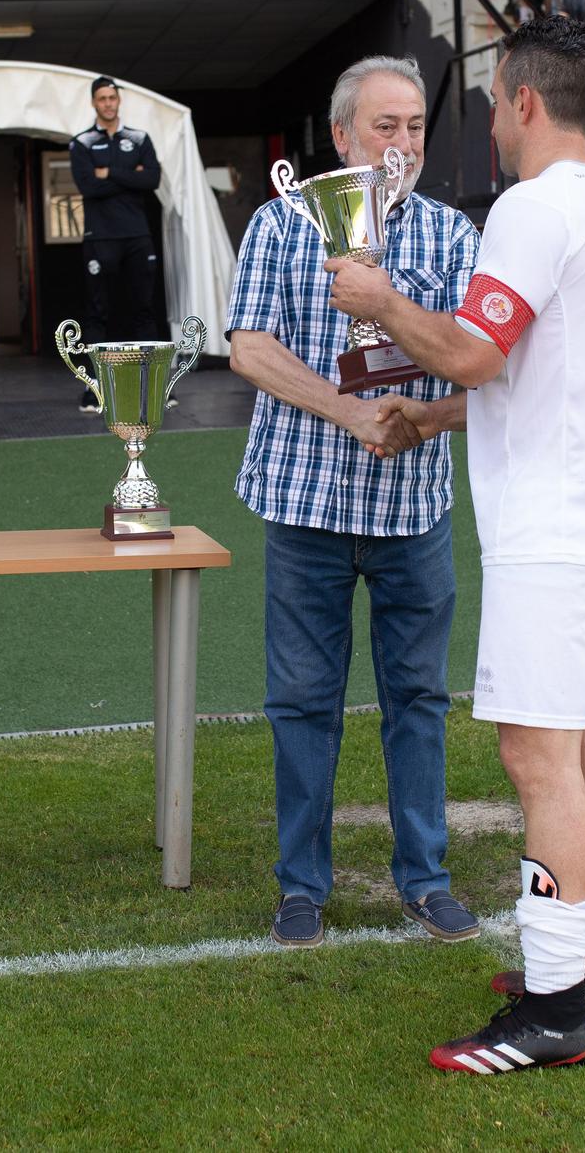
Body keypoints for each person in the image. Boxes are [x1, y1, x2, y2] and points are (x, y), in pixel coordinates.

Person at [318, 17, 585, 1075]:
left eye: (490, 99)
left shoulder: (531, 206)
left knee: (534, 751)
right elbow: (547, 371)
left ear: (518, 99)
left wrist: (379, 301)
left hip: (553, 529)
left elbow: (470, 351)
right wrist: (434, 417)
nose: (487, 122)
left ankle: (554, 1010)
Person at [224, 54, 483, 952]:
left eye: (415, 127)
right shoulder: (279, 223)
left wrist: (419, 418)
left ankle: (426, 878)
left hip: (413, 503)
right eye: (386, 126)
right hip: (304, 500)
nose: (403, 143)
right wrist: (348, 409)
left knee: (418, 695)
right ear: (342, 136)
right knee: (301, 700)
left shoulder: (452, 236)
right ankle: (302, 886)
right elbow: (248, 348)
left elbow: (474, 358)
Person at [68, 75, 162, 410]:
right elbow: (88, 187)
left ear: (118, 100)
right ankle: (95, 391)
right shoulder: (81, 142)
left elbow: (151, 178)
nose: (108, 103)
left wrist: (109, 172)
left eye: (112, 97)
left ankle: (153, 389)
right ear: (94, 103)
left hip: (137, 235)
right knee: (98, 312)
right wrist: (128, 174)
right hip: (101, 238)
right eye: (102, 98)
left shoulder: (139, 137)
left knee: (144, 309)